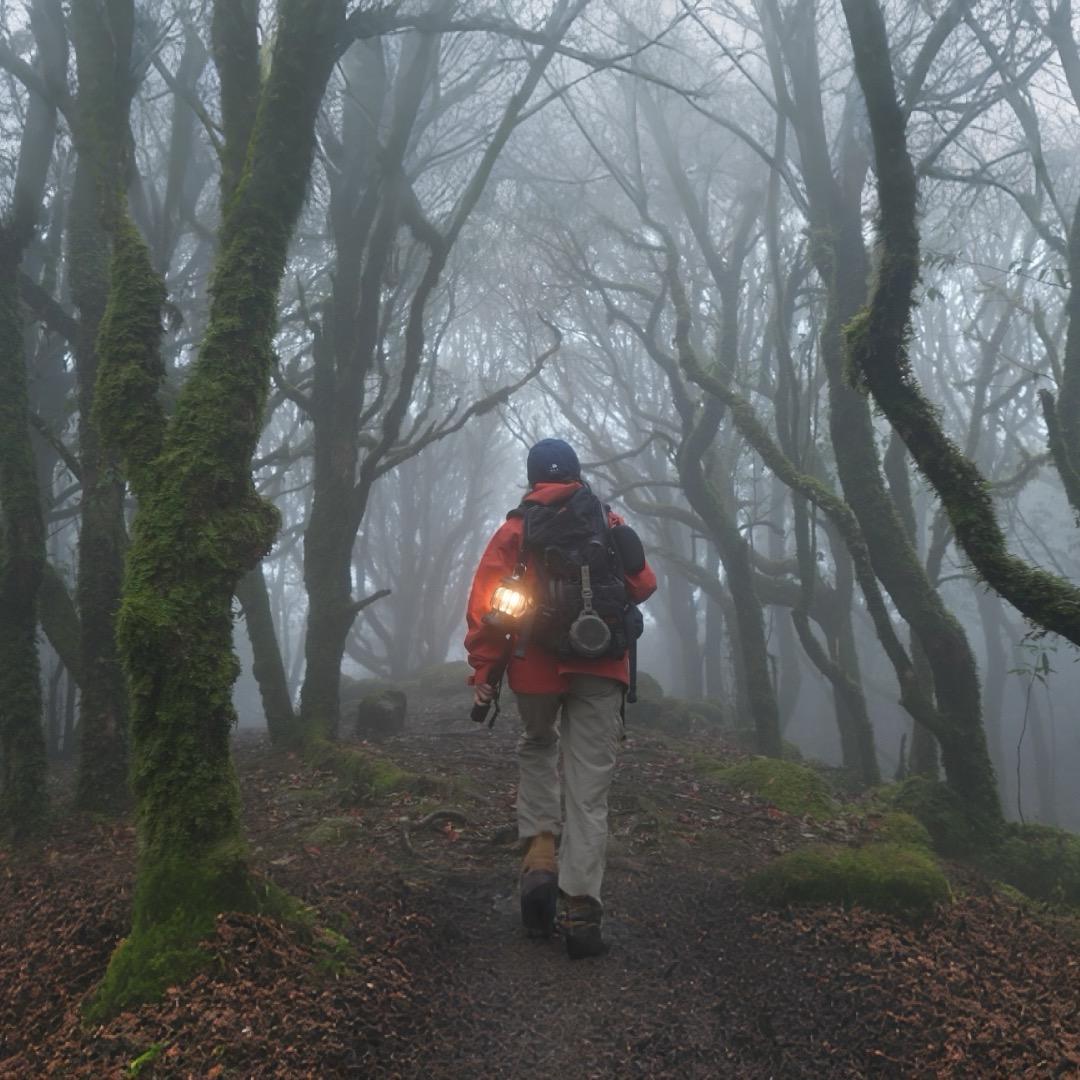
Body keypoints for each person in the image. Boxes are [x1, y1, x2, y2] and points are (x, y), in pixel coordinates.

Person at [464, 438, 657, 958]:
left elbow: (485, 606)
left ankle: (541, 855)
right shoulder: (608, 523)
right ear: (577, 474)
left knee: (538, 745)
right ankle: (580, 910)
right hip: (601, 666)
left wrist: (484, 669)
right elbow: (643, 585)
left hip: (534, 666)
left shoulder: (514, 530)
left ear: (532, 479)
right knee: (589, 793)